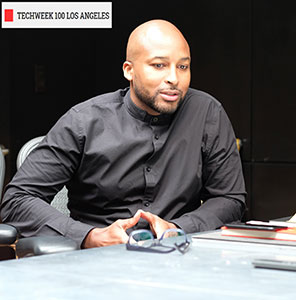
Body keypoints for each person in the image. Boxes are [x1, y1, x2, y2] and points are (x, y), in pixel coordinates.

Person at [0, 19, 246, 249]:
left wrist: (177, 228)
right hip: (94, 264)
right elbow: (17, 200)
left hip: (178, 256)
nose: (174, 78)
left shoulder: (207, 113)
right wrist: (89, 237)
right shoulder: (84, 121)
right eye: (159, 65)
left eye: (183, 66)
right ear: (129, 70)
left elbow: (230, 199)